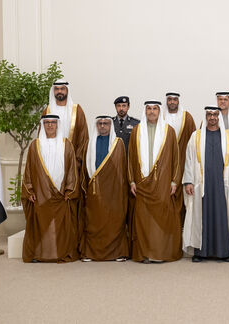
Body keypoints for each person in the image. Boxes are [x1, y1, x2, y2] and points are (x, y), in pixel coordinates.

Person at [182, 106, 229, 262]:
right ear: (205, 116)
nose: (213, 117)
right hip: (202, 185)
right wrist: (188, 181)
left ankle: (225, 252)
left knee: (224, 216)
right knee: (201, 216)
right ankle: (200, 252)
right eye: (209, 114)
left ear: (219, 117)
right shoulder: (196, 136)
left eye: (215, 114)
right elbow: (188, 160)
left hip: (223, 185)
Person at [127, 101, 182, 263]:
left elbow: (176, 158)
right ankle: (145, 253)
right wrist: (131, 180)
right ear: (145, 111)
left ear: (159, 111)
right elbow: (130, 158)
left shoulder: (168, 131)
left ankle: (160, 253)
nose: (151, 112)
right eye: (149, 109)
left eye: (155, 109)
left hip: (163, 182)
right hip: (141, 182)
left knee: (161, 218)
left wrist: (174, 181)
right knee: (143, 219)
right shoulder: (136, 131)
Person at [21, 114, 79, 263]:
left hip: (61, 195)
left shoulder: (67, 144)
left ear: (57, 124)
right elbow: (28, 170)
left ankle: (60, 253)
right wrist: (30, 190)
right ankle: (40, 254)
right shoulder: (35, 145)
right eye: (47, 123)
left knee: (60, 226)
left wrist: (69, 190)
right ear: (43, 125)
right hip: (41, 194)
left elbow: (72, 169)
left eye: (53, 122)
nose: (50, 125)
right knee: (41, 224)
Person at [80, 116, 129, 262]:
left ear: (110, 125)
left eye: (106, 123)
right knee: (93, 220)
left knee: (114, 220)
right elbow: (84, 167)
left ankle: (117, 253)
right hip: (94, 189)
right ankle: (91, 252)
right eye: (100, 124)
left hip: (113, 189)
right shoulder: (89, 143)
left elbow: (121, 168)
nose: (102, 126)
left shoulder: (117, 143)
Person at [163, 92, 197, 227]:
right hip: (164, 164)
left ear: (178, 101)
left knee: (182, 194)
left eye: (175, 100)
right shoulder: (161, 116)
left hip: (183, 162)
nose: (172, 102)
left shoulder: (187, 117)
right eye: (170, 99)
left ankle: (182, 224)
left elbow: (194, 141)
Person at [43, 80, 89, 170]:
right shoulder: (48, 111)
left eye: (62, 89)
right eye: (56, 89)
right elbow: (42, 134)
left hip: (72, 160)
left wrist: (78, 159)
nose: (59, 91)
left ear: (67, 90)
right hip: (51, 159)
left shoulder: (77, 110)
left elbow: (83, 136)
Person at [113, 96, 140, 162]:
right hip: (113, 160)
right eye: (118, 106)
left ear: (128, 107)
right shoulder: (110, 123)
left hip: (129, 160)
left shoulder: (136, 123)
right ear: (115, 107)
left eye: (124, 106)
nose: (121, 108)